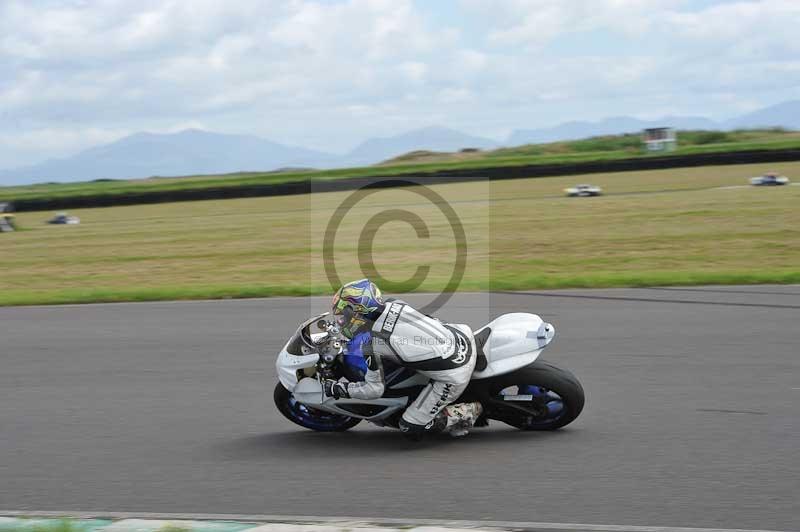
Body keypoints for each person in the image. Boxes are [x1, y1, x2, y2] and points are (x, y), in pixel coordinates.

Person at [322, 279, 483, 438]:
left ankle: (467, 412)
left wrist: (340, 389)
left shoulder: (372, 344)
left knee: (410, 427)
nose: (341, 321)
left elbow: (374, 390)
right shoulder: (395, 303)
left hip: (455, 372)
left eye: (344, 316)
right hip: (461, 336)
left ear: (358, 311)